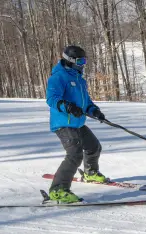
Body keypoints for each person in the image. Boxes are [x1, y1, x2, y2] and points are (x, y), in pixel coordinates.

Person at [45, 45, 108, 203]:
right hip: (63, 123)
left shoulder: (79, 79)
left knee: (94, 146)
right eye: (80, 61)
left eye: (84, 60)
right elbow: (52, 99)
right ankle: (58, 190)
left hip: (78, 122)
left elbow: (85, 101)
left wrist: (94, 111)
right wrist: (68, 106)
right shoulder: (58, 77)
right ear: (70, 60)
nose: (83, 64)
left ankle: (90, 172)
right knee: (74, 154)